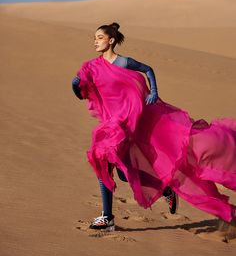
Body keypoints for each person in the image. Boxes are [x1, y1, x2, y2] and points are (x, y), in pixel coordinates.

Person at [72, 22, 236, 232]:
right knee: (122, 171)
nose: (95, 41)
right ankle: (165, 188)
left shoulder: (123, 62)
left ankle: (107, 218)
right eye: (94, 37)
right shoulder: (92, 67)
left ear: (111, 40)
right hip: (114, 125)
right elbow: (81, 92)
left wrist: (153, 92)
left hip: (135, 120)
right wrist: (75, 85)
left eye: (100, 37)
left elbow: (148, 69)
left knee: (104, 159)